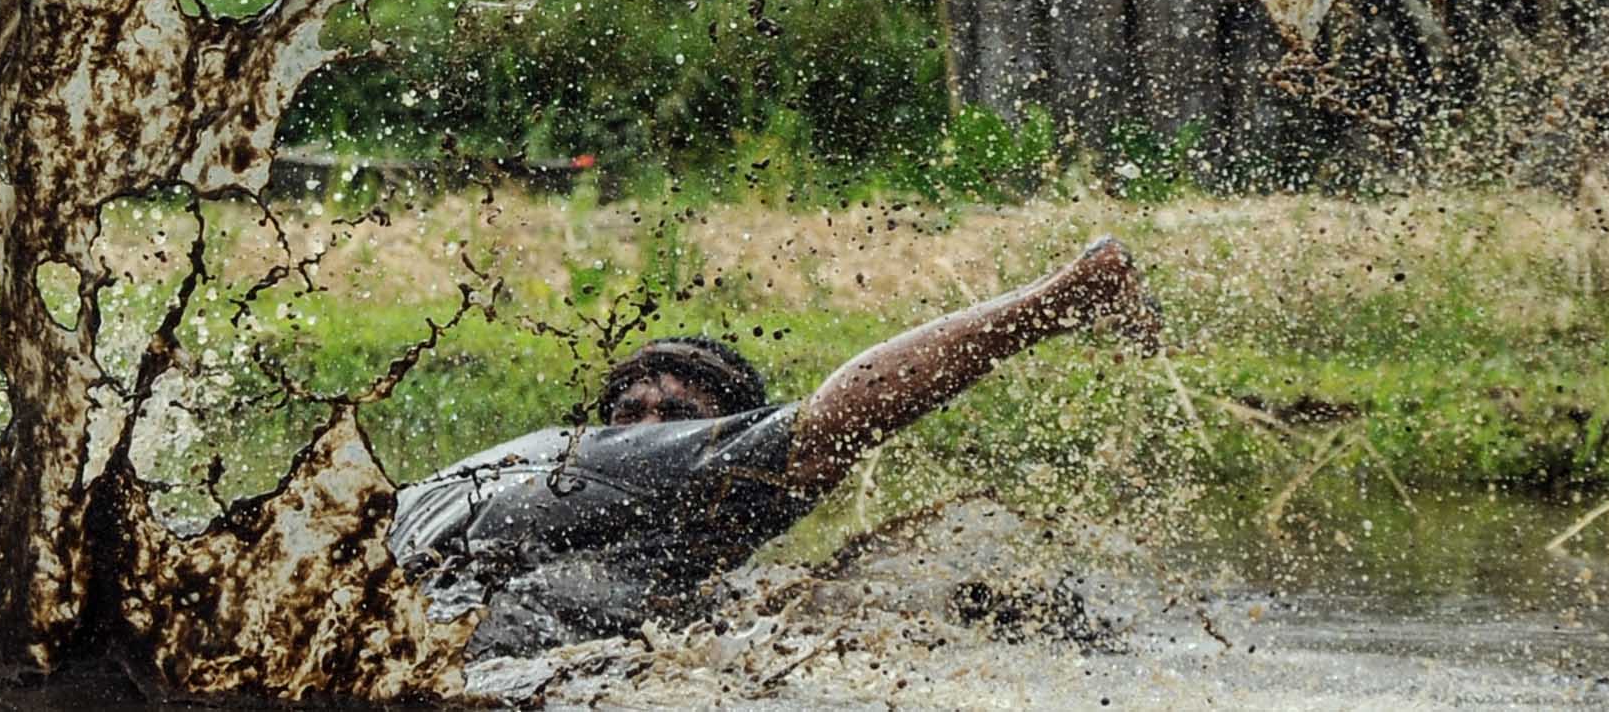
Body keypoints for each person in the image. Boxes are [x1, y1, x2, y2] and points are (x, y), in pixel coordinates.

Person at [391, 235, 1159, 656]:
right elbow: (819, 433)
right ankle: (1071, 289)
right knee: (817, 442)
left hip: (399, 554)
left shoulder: (563, 504)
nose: (650, 422)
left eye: (677, 410)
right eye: (637, 408)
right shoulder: (650, 466)